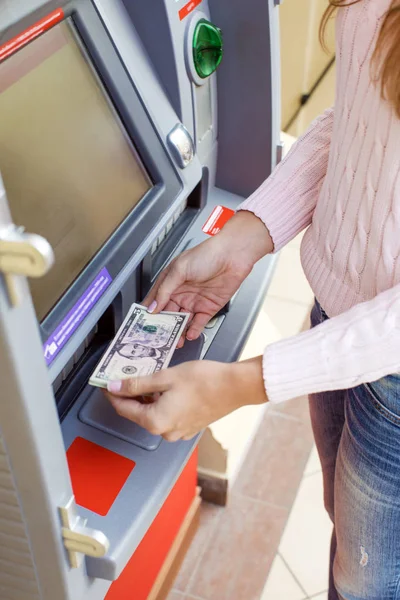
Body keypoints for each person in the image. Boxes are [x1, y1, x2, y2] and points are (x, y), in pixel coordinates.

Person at [106, 1, 400, 598]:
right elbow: (363, 121)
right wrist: (247, 234)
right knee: (350, 544)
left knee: (369, 582)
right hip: (337, 328)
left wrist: (237, 385)